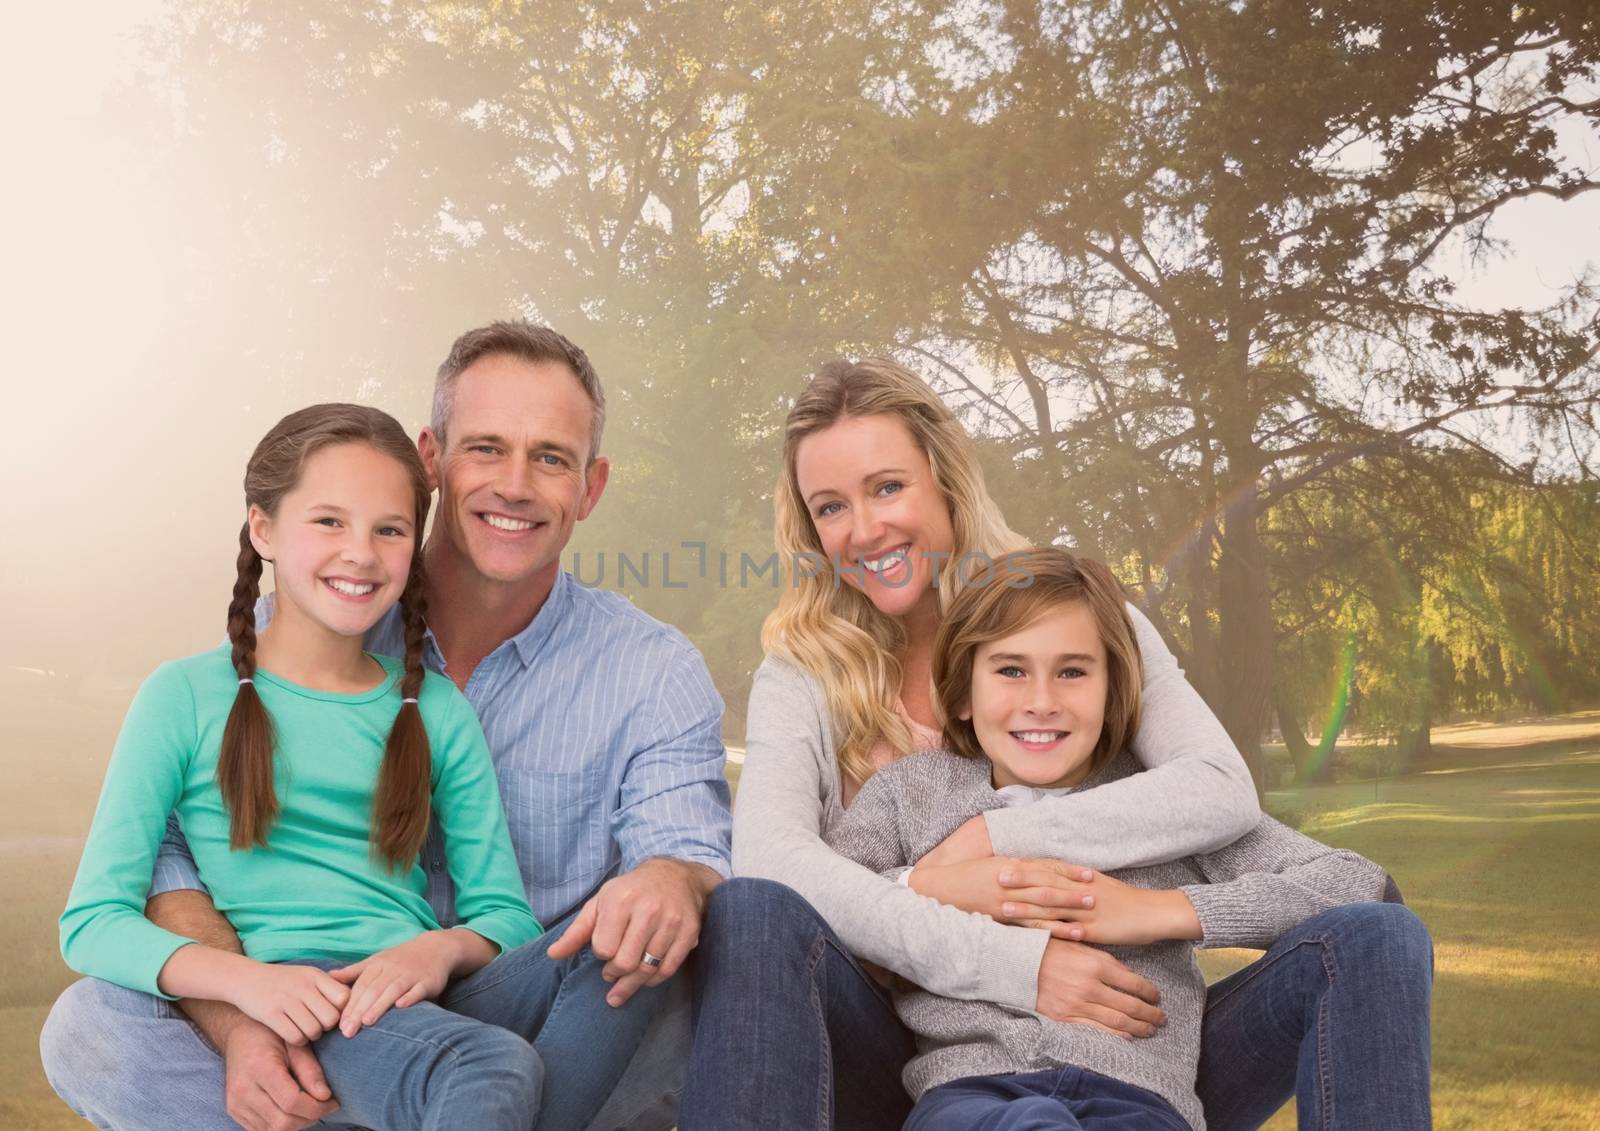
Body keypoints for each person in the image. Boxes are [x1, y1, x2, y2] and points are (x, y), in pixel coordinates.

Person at [681, 357, 1433, 1130]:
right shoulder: (808, 678)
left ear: (945, 477)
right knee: (753, 911)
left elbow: (1219, 787)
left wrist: (1016, 850)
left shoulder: (1082, 612)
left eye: (887, 486)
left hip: (1132, 1049)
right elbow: (774, 867)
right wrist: (989, 937)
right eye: (831, 506)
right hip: (923, 1056)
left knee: (1372, 936)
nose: (865, 528)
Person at [42, 323, 733, 1131]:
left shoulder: (576, 681)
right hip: (290, 991)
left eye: (550, 456)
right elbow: (141, 877)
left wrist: (664, 883)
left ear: (591, 485)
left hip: (475, 999)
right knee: (90, 1021)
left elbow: (524, 906)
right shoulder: (236, 664)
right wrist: (244, 1007)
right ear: (434, 458)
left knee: (638, 959)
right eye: (487, 447)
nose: (514, 483)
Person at [56, 404, 549, 1130]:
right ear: (263, 530)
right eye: (329, 521)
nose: (362, 552)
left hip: (411, 1004)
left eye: (390, 529)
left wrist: (437, 951)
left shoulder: (435, 708)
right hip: (293, 999)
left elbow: (507, 915)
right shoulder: (184, 694)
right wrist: (248, 985)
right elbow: (94, 920)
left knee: (633, 966)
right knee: (494, 1068)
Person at [826, 547, 1430, 1130]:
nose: (1041, 702)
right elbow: (831, 924)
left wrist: (1154, 911)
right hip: (971, 1090)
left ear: (1114, 690)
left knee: (1388, 933)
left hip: (1136, 1093)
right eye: (1010, 670)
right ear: (961, 692)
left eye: (1072, 672)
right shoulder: (911, 793)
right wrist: (932, 886)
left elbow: (1362, 888)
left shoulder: (1163, 804)